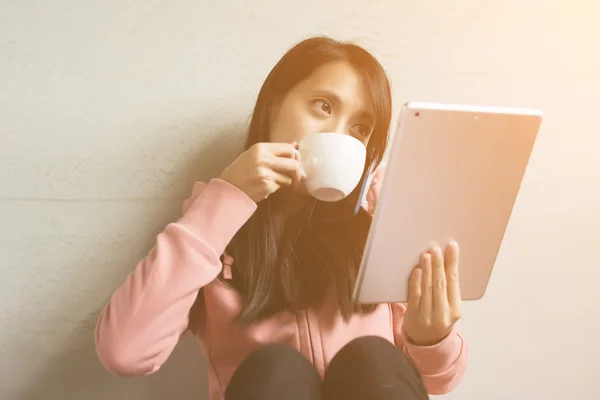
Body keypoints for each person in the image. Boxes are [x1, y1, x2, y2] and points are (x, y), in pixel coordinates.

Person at [95, 35, 468, 400]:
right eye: (323, 106)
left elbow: (438, 380)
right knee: (275, 369)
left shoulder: (378, 224)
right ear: (273, 104)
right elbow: (125, 352)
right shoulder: (214, 224)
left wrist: (430, 339)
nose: (337, 134)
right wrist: (227, 199)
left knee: (371, 359)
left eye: (359, 128)